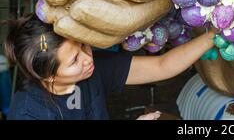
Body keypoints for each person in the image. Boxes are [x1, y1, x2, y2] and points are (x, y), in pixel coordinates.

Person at [2, 14, 215, 120]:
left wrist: (214, 35)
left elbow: (162, 66)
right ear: (48, 77)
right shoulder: (28, 112)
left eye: (84, 45)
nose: (88, 58)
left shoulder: (92, 71)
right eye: (74, 61)